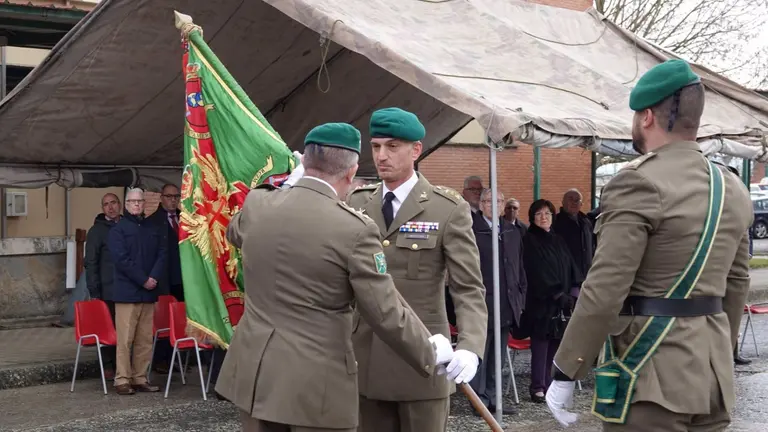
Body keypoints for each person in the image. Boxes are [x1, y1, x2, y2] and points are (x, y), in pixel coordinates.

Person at [546, 59, 753, 430]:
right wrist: (720, 351)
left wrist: (566, 369)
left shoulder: (637, 183)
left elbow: (606, 287)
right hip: (711, 378)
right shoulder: (732, 188)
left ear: (645, 117)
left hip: (650, 378)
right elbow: (736, 285)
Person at [214, 123, 455, 432]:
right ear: (351, 173)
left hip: (254, 375)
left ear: (304, 163)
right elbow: (385, 312)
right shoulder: (353, 228)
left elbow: (235, 231)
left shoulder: (259, 204)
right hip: (315, 385)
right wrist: (431, 351)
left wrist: (289, 185)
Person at [347, 107, 488, 431]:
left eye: (392, 146)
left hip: (423, 359)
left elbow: (468, 287)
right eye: (376, 146)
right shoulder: (356, 204)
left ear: (416, 150)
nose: (382, 155)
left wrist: (469, 346)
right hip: (365, 360)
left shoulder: (446, 208)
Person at [469, 188, 526, 415]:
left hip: (506, 303)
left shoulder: (512, 231)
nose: (495, 205)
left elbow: (519, 267)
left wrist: (520, 297)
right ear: (482, 204)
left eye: (499, 201)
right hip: (482, 303)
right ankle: (478, 401)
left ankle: (494, 397)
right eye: (490, 201)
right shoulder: (473, 231)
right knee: (480, 354)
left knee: (498, 356)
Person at [108, 187, 168, 395]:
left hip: (148, 292)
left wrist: (154, 277)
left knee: (144, 339)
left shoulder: (152, 227)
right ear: (126, 205)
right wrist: (144, 280)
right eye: (133, 201)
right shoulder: (117, 230)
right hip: (127, 292)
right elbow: (121, 260)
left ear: (144, 204)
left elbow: (162, 253)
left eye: (140, 201)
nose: (136, 205)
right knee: (125, 339)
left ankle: (140, 377)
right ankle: (122, 379)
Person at [521, 199, 581, 404]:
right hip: (542, 302)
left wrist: (573, 292)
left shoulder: (558, 239)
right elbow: (537, 271)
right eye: (538, 214)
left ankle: (549, 384)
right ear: (532, 218)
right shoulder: (529, 240)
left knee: (556, 345)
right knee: (541, 345)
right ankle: (538, 387)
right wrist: (557, 294)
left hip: (563, 303)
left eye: (547, 213)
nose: (543, 217)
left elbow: (572, 266)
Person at [84, 192, 122, 379]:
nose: (110, 207)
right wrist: (94, 290)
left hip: (127, 288)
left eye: (113, 203)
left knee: (124, 329)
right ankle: (108, 365)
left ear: (120, 204)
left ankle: (124, 367)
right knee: (108, 329)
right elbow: (90, 262)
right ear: (103, 208)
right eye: (106, 204)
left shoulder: (127, 225)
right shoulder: (96, 231)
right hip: (106, 288)